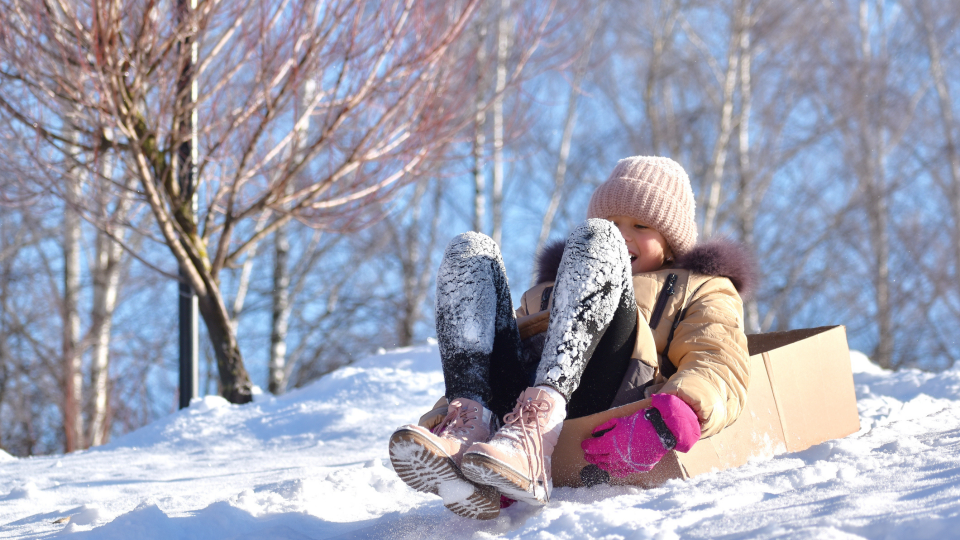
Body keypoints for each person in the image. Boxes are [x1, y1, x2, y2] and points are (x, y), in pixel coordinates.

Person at [389, 156, 755, 520]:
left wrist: (671, 419)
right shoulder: (544, 293)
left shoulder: (700, 287)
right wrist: (442, 413)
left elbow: (717, 359)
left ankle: (534, 440)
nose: (624, 234)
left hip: (613, 393)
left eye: (641, 225)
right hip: (518, 405)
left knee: (598, 244)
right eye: (612, 222)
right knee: (471, 255)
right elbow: (488, 351)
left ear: (671, 242)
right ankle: (470, 432)